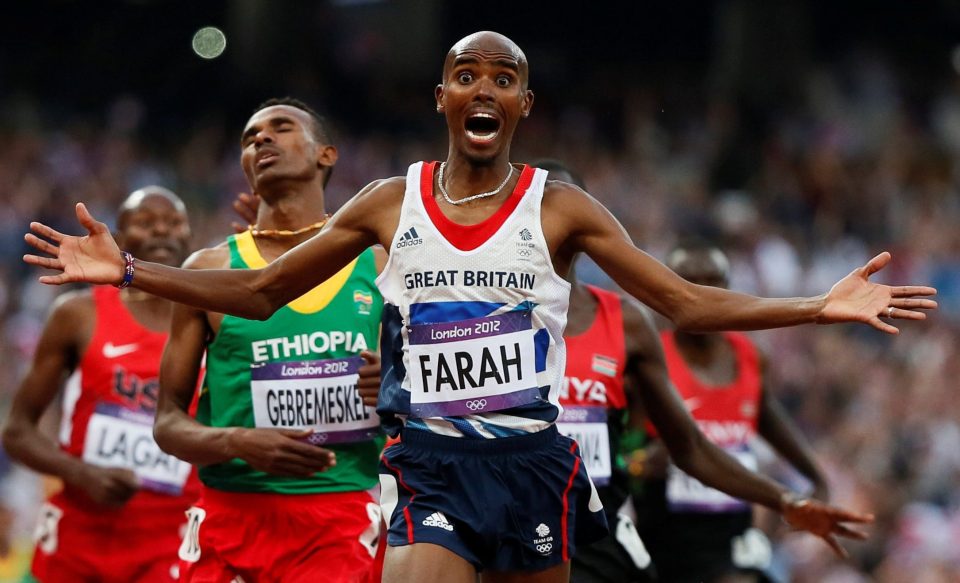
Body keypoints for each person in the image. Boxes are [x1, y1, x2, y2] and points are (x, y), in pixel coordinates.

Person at [23, 31, 936, 583]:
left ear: (524, 103)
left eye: (504, 79)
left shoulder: (561, 207)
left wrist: (820, 305)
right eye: (469, 75)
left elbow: (684, 302)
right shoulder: (389, 200)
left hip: (534, 464)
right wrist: (133, 276)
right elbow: (261, 288)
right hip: (428, 468)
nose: (485, 89)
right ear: (444, 97)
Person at [153, 98, 385, 583]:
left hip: (337, 519)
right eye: (249, 136)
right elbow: (167, 425)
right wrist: (236, 440)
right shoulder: (208, 271)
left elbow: (433, 391)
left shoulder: (380, 264)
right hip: (227, 521)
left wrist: (396, 382)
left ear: (327, 155)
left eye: (281, 128)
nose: (261, 138)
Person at [5, 187, 199, 583]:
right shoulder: (78, 315)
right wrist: (81, 474)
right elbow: (17, 432)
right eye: (146, 222)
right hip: (77, 539)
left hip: (167, 547)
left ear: (190, 236)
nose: (162, 230)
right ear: (119, 239)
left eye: (174, 221)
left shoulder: (212, 324)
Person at [634, 241, 830, 583]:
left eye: (712, 282)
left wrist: (816, 476)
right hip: (666, 526)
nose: (701, 293)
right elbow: (621, 438)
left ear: (727, 288)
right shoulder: (649, 359)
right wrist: (640, 460)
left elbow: (766, 415)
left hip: (734, 523)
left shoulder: (749, 354)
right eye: (688, 282)